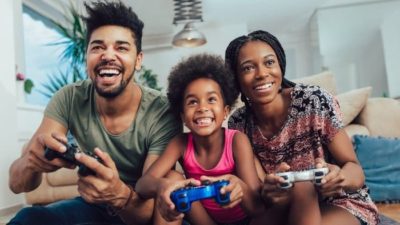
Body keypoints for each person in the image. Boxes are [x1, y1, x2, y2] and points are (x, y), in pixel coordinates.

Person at [8, 1, 181, 225]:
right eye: (97, 47)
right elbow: (17, 184)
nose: (108, 56)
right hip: (94, 204)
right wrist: (32, 162)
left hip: (138, 208)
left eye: (121, 48)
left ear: (138, 60)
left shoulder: (162, 111)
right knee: (29, 217)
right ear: (86, 58)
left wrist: (119, 194)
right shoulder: (69, 98)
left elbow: (151, 211)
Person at [225, 30, 380, 225]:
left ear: (280, 65)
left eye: (269, 62)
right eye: (248, 68)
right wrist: (270, 192)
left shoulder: (313, 101)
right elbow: (258, 196)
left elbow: (356, 171)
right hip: (283, 208)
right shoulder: (238, 124)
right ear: (236, 78)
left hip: (339, 203)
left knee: (303, 186)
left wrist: (340, 177)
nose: (262, 73)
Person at [135, 54, 265, 225]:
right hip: (204, 220)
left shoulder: (236, 141)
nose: (202, 108)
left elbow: (257, 207)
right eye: (192, 102)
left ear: (226, 111)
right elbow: (142, 185)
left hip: (244, 220)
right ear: (182, 115)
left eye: (211, 99)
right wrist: (162, 186)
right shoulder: (180, 143)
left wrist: (238, 185)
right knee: (173, 178)